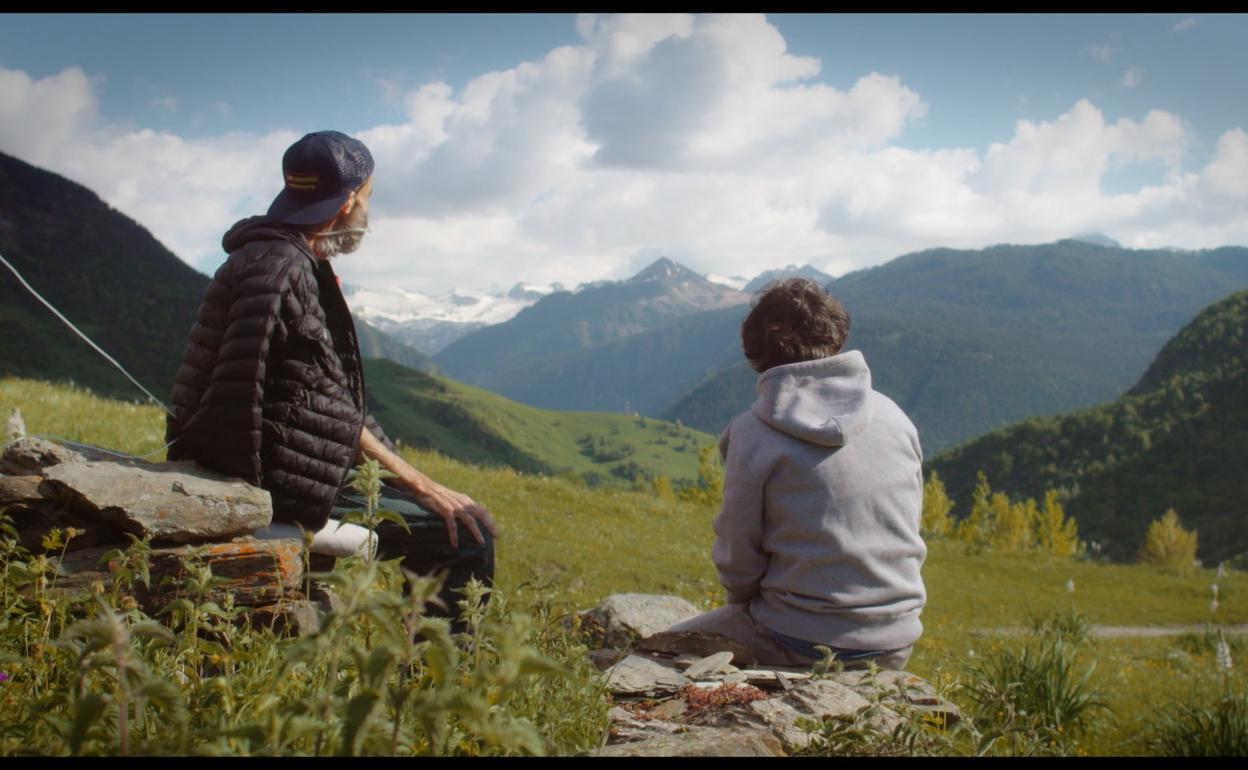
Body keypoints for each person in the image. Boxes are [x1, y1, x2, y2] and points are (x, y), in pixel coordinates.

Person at [165, 130, 497, 630]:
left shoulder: (267, 257)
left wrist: (410, 480)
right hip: (268, 476)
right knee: (465, 538)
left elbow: (331, 396)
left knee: (444, 513)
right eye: (368, 196)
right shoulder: (286, 269)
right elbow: (328, 406)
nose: (367, 209)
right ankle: (431, 675)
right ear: (348, 201)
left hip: (265, 461)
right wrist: (420, 485)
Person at [665, 278, 927, 670]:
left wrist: (745, 607)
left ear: (756, 351)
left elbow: (739, 558)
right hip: (895, 641)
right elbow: (906, 521)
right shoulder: (895, 417)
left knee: (655, 650)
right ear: (836, 334)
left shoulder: (752, 433)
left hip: (797, 639)